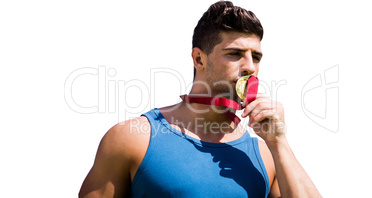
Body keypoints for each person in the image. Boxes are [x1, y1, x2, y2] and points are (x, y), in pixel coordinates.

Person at [79, 1, 321, 197]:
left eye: (256, 57)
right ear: (199, 59)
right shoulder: (132, 137)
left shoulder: (266, 154)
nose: (250, 67)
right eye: (235, 54)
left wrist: (279, 143)